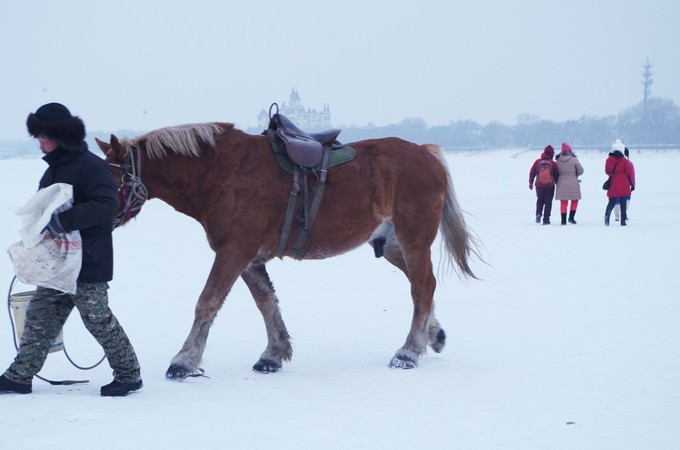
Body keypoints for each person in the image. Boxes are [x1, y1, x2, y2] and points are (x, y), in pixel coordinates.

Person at [0, 103, 142, 396]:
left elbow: (106, 205)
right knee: (40, 316)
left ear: (61, 137)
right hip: (57, 262)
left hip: (88, 261)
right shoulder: (56, 168)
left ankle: (129, 376)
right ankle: (19, 376)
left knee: (97, 320)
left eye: (44, 137)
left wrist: (60, 221)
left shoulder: (91, 166)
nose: (40, 142)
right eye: (38, 136)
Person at [604, 142, 635, 226]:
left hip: (613, 182)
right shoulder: (624, 160)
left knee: (611, 202)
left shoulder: (608, 160)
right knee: (623, 203)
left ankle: (607, 217)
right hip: (623, 183)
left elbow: (607, 171)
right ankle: (623, 221)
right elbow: (629, 171)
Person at [555, 142, 584, 225]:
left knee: (563, 202)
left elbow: (556, 172)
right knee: (575, 200)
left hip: (561, 182)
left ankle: (563, 220)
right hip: (573, 182)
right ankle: (571, 218)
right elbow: (581, 171)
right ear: (570, 151)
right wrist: (575, 174)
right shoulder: (574, 159)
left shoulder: (558, 161)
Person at [528, 145, 558, 224]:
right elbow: (556, 175)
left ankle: (538, 214)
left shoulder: (537, 162)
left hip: (539, 185)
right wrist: (558, 185)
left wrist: (530, 182)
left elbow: (532, 172)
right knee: (548, 202)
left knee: (540, 200)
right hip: (550, 186)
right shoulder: (553, 163)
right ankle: (546, 219)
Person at [613, 145, 635, 221]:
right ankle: (623, 214)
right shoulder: (629, 163)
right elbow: (632, 175)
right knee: (626, 199)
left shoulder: (614, 163)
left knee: (616, 199)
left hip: (615, 184)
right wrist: (633, 184)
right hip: (626, 185)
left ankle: (617, 215)